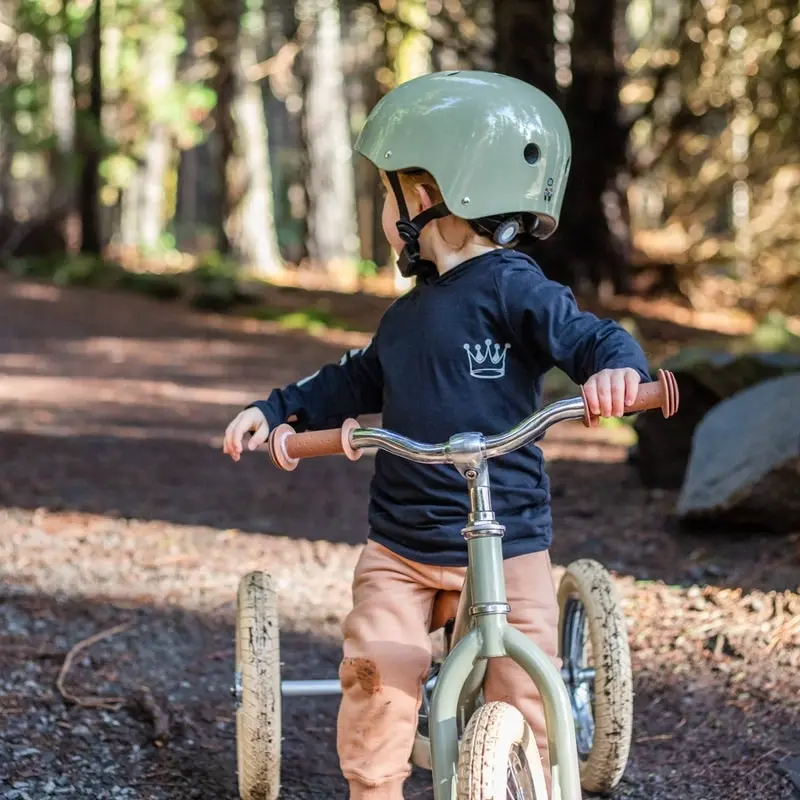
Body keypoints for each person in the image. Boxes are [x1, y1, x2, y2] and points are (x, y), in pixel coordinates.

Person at [223, 70, 651, 800]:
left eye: (390, 196)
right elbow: (354, 382)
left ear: (423, 200)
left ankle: (536, 781)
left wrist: (616, 371)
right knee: (379, 675)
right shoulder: (407, 315)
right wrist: (280, 409)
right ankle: (375, 789)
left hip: (509, 540)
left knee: (527, 688)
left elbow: (588, 338)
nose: (388, 217)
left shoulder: (517, 289)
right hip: (405, 546)